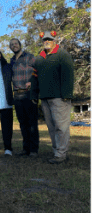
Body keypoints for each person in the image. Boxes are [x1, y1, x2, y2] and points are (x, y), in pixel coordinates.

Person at [31, 32, 76, 164]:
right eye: (45, 39)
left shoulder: (62, 55)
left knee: (61, 127)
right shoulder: (39, 58)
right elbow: (34, 78)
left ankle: (61, 154)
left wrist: (67, 94)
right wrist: (34, 94)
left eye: (49, 39)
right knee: (51, 127)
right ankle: (57, 152)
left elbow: (68, 74)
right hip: (44, 98)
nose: (47, 41)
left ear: (54, 40)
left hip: (60, 98)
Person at [9, 38, 39, 157]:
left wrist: (33, 81)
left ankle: (33, 150)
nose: (14, 46)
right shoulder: (11, 61)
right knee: (22, 123)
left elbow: (38, 70)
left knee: (32, 123)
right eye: (12, 45)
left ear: (20, 45)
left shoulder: (29, 57)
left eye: (16, 43)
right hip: (17, 94)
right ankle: (25, 149)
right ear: (10, 48)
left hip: (29, 94)